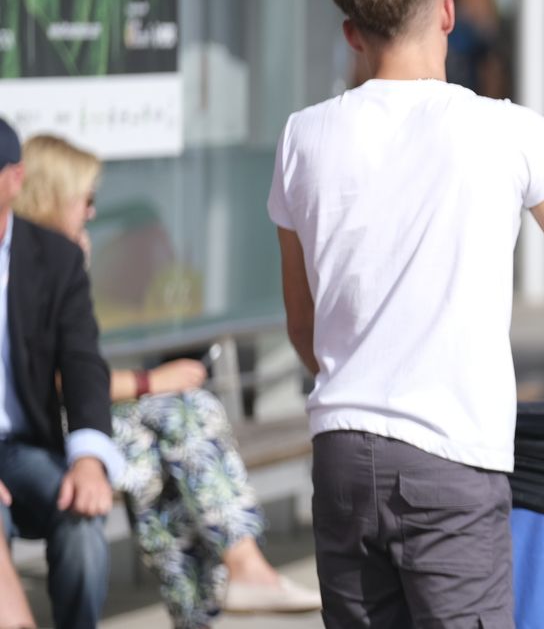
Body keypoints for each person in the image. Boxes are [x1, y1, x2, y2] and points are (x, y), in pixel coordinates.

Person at [270, 0, 544, 626]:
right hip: (450, 456)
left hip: (342, 451)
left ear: (353, 32)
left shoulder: (304, 136)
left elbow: (304, 325)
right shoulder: (507, 130)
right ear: (446, 12)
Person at [15, 134, 321, 627]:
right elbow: (54, 375)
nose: (94, 212)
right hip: (48, 428)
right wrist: (151, 381)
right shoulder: (29, 259)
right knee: (183, 415)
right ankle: (233, 576)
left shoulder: (62, 253)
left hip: (84, 421)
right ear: (52, 196)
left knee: (161, 458)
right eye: (87, 199)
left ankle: (217, 595)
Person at [0, 117, 121, 629]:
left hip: (25, 444)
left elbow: (82, 362)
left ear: (15, 178)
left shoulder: (56, 259)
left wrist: (90, 456)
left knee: (83, 520)